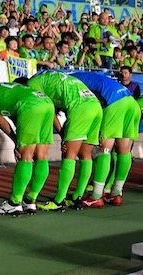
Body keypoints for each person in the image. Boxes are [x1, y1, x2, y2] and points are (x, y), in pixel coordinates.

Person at [27, 71, 103, 211]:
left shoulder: (31, 85)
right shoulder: (51, 78)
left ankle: (59, 201)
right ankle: (77, 198)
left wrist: (64, 135)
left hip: (80, 108)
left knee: (69, 154)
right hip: (95, 106)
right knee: (85, 155)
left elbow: (49, 112)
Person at [69, 70, 141, 207]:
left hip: (113, 103)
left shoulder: (70, 82)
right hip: (131, 102)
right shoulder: (86, 76)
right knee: (124, 151)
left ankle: (96, 195)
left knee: (103, 150)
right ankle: (116, 193)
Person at [0, 82, 55, 216]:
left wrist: (17, 141)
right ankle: (31, 200)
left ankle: (14, 203)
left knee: (26, 156)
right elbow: (14, 117)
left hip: (30, 105)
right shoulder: (2, 91)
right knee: (42, 155)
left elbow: (0, 120)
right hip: (46, 102)